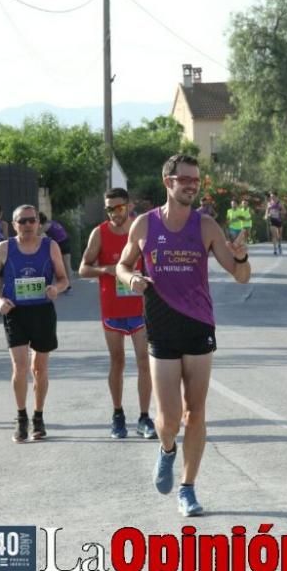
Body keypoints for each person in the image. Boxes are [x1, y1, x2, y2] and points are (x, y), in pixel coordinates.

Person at [116, 154, 251, 517]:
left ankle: (188, 488)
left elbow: (241, 276)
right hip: (160, 325)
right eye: (184, 179)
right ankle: (166, 449)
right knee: (170, 417)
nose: (192, 185)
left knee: (196, 411)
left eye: (196, 180)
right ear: (168, 181)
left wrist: (240, 257)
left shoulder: (206, 227)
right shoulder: (144, 225)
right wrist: (131, 278)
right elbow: (123, 263)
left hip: (198, 326)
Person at [0, 204, 69, 443]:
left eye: (32, 220)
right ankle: (21, 417)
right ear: (14, 225)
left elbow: (63, 279)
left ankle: (38, 416)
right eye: (23, 221)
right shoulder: (4, 248)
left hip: (42, 311)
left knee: (39, 368)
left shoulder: (50, 246)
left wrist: (56, 289)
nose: (28, 225)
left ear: (39, 223)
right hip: (15, 312)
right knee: (19, 367)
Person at [79, 187, 156, 440]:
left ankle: (144, 418)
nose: (114, 213)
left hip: (140, 308)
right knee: (118, 361)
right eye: (109, 209)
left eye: (119, 208)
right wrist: (108, 270)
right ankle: (118, 414)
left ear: (129, 206)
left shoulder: (142, 230)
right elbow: (83, 269)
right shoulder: (99, 233)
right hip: (112, 308)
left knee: (145, 361)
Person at [39, 212, 73, 293]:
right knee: (66, 264)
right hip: (65, 241)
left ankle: (67, 285)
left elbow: (37, 234)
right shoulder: (51, 222)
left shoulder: (45, 226)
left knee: (65, 265)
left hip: (61, 243)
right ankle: (67, 285)